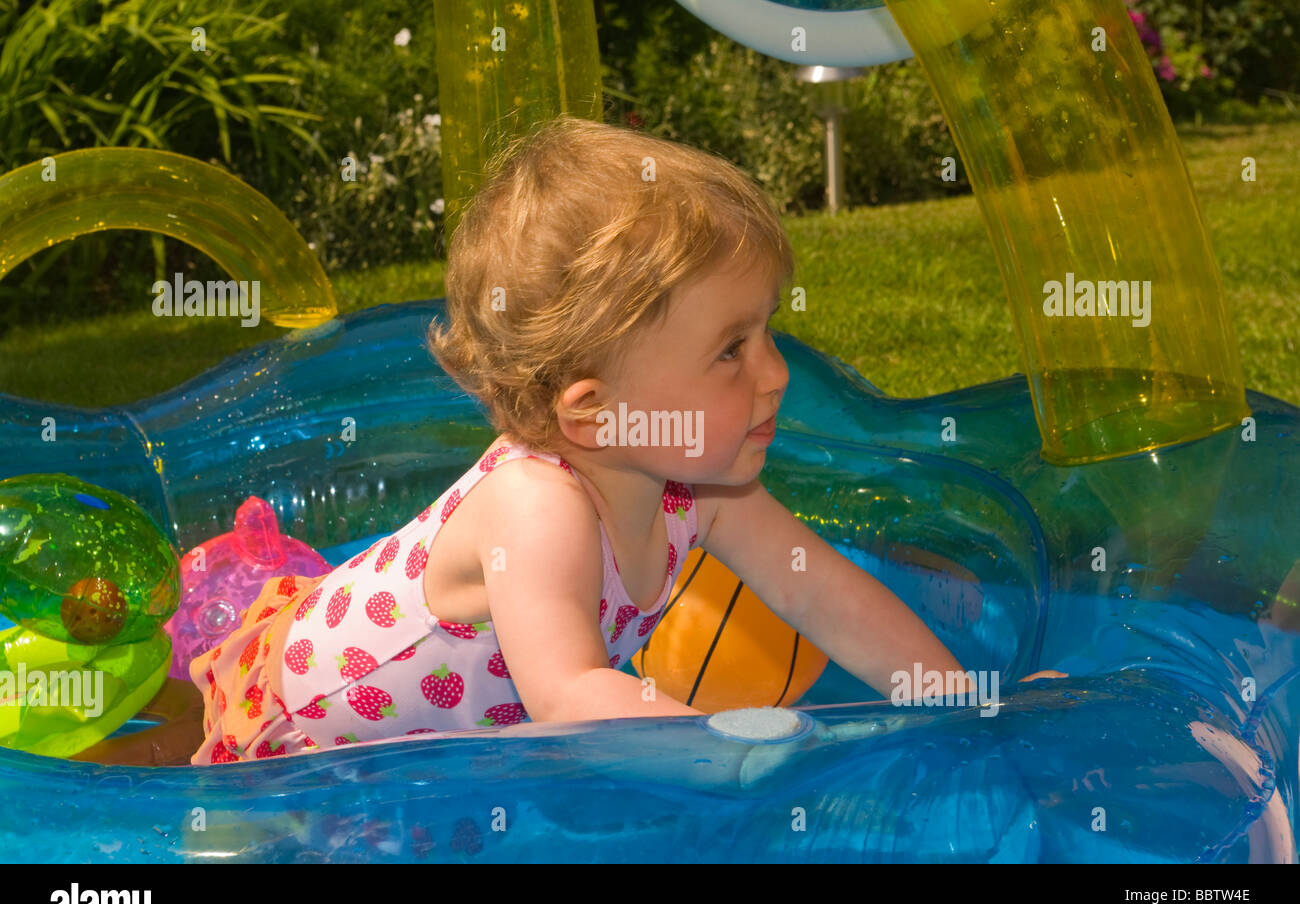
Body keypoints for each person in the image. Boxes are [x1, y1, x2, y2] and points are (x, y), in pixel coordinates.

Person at [188, 115, 1060, 766]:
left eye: (766, 333)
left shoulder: (702, 487)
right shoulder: (537, 506)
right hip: (308, 730)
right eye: (731, 349)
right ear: (595, 414)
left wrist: (970, 700)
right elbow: (570, 695)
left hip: (447, 743)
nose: (776, 373)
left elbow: (829, 597)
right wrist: (731, 742)